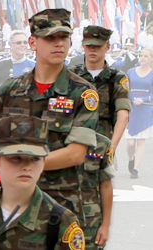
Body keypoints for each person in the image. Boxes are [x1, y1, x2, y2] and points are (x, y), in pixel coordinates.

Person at [0, 10, 99, 241]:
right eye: (50, 38)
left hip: (59, 203)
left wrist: (17, 164)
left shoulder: (82, 93)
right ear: (33, 42)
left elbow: (75, 154)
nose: (58, 44)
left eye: (63, 38)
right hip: (10, 201)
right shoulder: (10, 89)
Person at [0, 114, 84, 250]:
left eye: (35, 159)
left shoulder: (60, 221)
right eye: (16, 158)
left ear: (43, 162)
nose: (26, 166)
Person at [68, 25, 126, 249]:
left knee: (100, 189)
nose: (93, 50)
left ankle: (100, 229)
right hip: (72, 144)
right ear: (83, 46)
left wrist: (112, 146)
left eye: (98, 46)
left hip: (99, 147)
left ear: (107, 47)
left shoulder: (116, 79)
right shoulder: (71, 75)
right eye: (89, 46)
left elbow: (122, 115)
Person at [128, 48, 153, 179]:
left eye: (146, 56)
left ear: (151, 59)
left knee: (141, 141)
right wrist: (131, 99)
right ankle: (131, 159)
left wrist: (143, 99)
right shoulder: (131, 72)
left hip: (145, 110)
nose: (142, 58)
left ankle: (136, 169)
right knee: (131, 143)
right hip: (132, 109)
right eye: (141, 55)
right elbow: (126, 88)